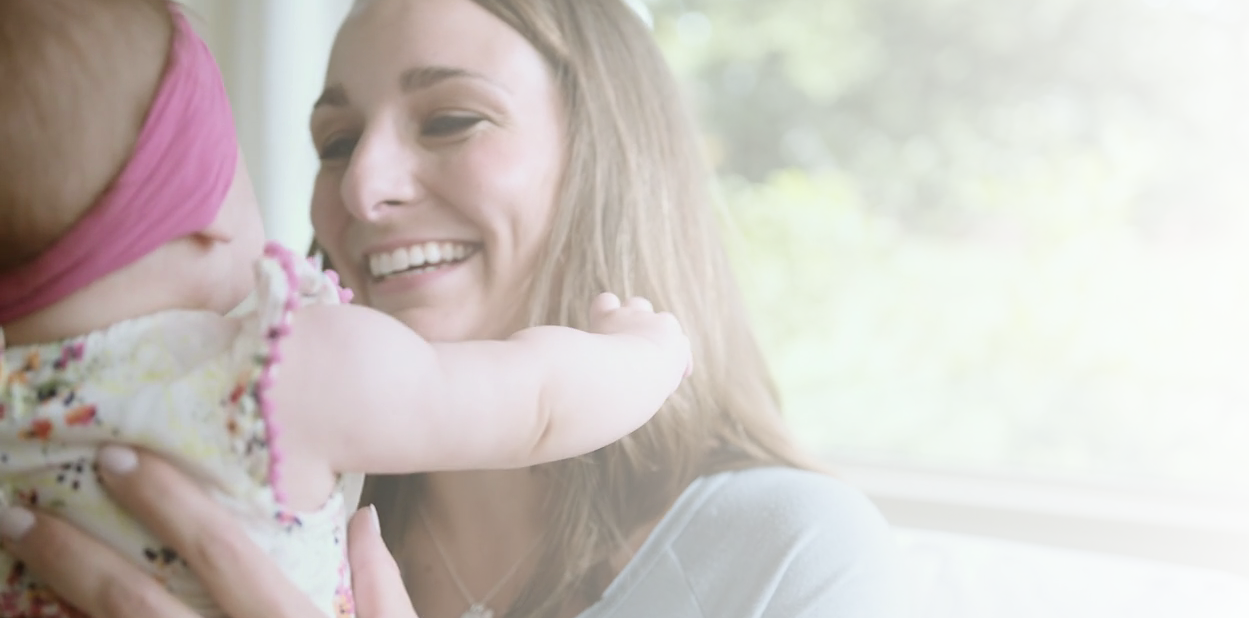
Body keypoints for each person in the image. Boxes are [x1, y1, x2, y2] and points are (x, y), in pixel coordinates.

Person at [0, 0, 905, 616]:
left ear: (608, 160)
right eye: (335, 141)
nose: (361, 186)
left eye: (449, 120)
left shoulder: (788, 557)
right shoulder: (298, 435)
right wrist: (646, 355)